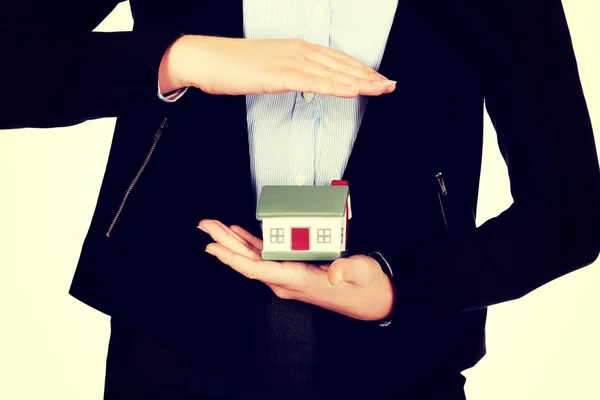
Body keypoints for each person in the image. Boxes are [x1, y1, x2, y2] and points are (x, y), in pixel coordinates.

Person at [2, 0, 599, 399]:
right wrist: (179, 57)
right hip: (172, 323)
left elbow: (571, 208)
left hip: (402, 349)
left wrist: (405, 288)